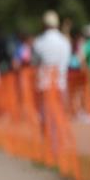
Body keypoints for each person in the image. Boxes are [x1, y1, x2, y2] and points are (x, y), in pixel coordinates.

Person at [32, 10, 72, 153]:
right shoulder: (64, 41)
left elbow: (34, 62)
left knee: (46, 114)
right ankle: (60, 141)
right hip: (60, 83)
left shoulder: (39, 42)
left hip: (45, 83)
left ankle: (49, 142)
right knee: (59, 112)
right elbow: (66, 61)